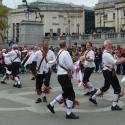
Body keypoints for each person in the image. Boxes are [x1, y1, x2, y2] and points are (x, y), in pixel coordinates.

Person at [89, 39, 125, 111]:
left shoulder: (108, 53)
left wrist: (120, 58)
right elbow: (115, 62)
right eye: (109, 44)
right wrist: (123, 60)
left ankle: (93, 97)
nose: (111, 45)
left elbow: (115, 60)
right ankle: (114, 105)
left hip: (107, 71)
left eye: (111, 44)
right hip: (109, 72)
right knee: (117, 88)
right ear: (105, 46)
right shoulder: (106, 54)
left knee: (106, 87)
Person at [47, 41, 79, 119]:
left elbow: (54, 62)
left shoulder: (59, 53)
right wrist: (75, 69)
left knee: (66, 93)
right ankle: (69, 113)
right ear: (66, 46)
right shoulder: (66, 53)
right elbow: (70, 65)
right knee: (71, 94)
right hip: (64, 76)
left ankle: (51, 104)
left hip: (60, 76)